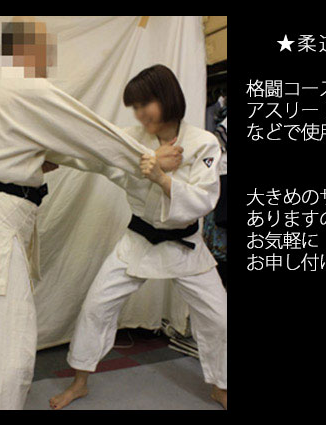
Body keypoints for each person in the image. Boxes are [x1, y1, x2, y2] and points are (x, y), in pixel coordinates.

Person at [0, 18, 183, 410]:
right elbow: (89, 132)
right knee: (7, 343)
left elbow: (6, 151)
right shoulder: (23, 86)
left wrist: (32, 161)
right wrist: (149, 159)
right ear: (24, 50)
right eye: (43, 51)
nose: (46, 62)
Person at [49, 64, 227, 410]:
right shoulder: (130, 140)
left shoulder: (204, 143)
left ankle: (221, 385)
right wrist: (52, 155)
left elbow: (204, 199)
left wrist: (161, 178)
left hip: (186, 246)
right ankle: (79, 382)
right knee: (96, 306)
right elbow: (92, 153)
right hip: (139, 240)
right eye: (136, 106)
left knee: (219, 317)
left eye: (147, 103)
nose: (141, 113)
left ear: (167, 98)